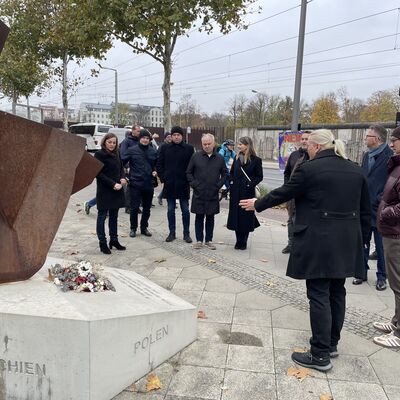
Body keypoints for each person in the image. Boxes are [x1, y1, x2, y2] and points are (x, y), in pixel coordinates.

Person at [240, 129, 370, 372]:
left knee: (319, 293)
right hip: (346, 241)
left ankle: (320, 355)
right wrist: (361, 241)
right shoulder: (355, 169)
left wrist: (257, 204)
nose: (306, 148)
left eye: (309, 145)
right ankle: (331, 344)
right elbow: (365, 211)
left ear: (318, 147)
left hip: (319, 241)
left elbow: (284, 192)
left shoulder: (310, 170)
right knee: (337, 292)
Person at [353, 125, 392, 290]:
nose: (365, 138)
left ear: (377, 139)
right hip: (364, 207)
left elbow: (392, 183)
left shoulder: (390, 157)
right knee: (363, 241)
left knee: (381, 246)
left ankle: (382, 276)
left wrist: (380, 199)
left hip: (380, 208)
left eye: (367, 136)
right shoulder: (366, 155)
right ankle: (361, 272)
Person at [373, 127, 400, 348]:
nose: (392, 145)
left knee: (398, 282)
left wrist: (385, 213)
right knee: (395, 282)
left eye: (395, 140)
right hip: (392, 230)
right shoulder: (396, 164)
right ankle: (396, 321)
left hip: (396, 232)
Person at [187, 133, 227, 249]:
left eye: (209, 144)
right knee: (199, 217)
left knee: (210, 217)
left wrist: (218, 185)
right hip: (199, 193)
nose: (207, 146)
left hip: (212, 193)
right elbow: (188, 172)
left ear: (213, 144)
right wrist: (194, 184)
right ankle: (199, 240)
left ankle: (209, 240)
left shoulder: (219, 158)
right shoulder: (196, 156)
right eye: (204, 144)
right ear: (202, 144)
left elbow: (225, 174)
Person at [157, 126, 194, 243]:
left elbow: (192, 166)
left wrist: (189, 180)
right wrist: (163, 178)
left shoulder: (189, 148)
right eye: (174, 135)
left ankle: (186, 233)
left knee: (185, 210)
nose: (176, 137)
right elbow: (159, 164)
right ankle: (171, 233)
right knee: (170, 209)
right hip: (170, 183)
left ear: (182, 136)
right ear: (171, 136)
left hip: (183, 183)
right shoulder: (165, 148)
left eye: (178, 135)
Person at [227, 136, 263, 250]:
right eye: (238, 144)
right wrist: (231, 183)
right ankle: (238, 240)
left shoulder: (256, 160)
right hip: (235, 193)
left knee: (246, 217)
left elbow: (259, 177)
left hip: (247, 193)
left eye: (241, 144)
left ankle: (244, 241)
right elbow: (231, 173)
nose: (238, 146)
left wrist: (249, 185)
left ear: (247, 145)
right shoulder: (237, 158)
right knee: (236, 217)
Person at [94, 133, 127, 254]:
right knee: (102, 216)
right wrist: (113, 184)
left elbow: (121, 168)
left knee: (114, 216)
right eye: (109, 142)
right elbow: (98, 174)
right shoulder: (99, 154)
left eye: (114, 142)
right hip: (105, 190)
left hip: (117, 189)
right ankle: (102, 242)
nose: (112, 145)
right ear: (104, 142)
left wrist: (123, 178)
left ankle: (114, 240)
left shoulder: (117, 152)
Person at [121, 129, 157, 238]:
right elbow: (121, 162)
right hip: (135, 183)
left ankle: (144, 227)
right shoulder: (132, 150)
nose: (145, 140)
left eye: (147, 138)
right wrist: (124, 176)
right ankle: (133, 228)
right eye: (143, 138)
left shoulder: (153, 151)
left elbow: (156, 164)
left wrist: (155, 170)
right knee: (134, 207)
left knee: (147, 208)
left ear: (149, 139)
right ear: (139, 138)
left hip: (148, 183)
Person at [282, 131, 311, 254]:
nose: (304, 141)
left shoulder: (314, 155)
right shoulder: (294, 155)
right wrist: (288, 188)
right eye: (303, 139)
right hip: (293, 195)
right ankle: (291, 243)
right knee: (291, 220)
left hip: (307, 196)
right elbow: (287, 173)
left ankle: (303, 245)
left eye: (307, 139)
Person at [157, 132, 172, 206]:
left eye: (170, 136)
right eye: (168, 137)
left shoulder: (172, 145)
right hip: (164, 170)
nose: (170, 138)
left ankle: (161, 196)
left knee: (169, 186)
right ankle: (161, 197)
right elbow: (159, 159)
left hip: (171, 170)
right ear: (165, 138)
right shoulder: (162, 146)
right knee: (168, 186)